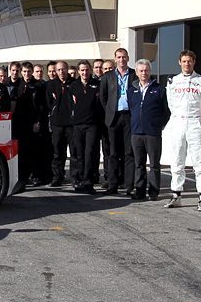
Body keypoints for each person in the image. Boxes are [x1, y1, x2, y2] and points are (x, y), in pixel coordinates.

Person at [164, 50, 201, 210]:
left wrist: (198, 120)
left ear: (194, 62)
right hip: (177, 122)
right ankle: (176, 194)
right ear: (179, 62)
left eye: (189, 61)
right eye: (184, 61)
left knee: (199, 161)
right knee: (177, 160)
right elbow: (170, 104)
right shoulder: (172, 81)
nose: (187, 64)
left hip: (195, 123)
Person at [127, 59, 169, 201]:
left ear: (150, 71)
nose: (144, 73)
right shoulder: (131, 90)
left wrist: (158, 125)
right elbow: (130, 110)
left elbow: (166, 112)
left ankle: (153, 192)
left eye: (146, 70)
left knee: (154, 164)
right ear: (137, 73)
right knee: (139, 164)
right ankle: (139, 191)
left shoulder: (159, 89)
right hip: (136, 133)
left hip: (153, 133)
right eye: (141, 70)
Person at [100, 48, 137, 196]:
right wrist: (110, 110)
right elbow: (103, 97)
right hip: (113, 118)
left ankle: (129, 185)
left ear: (128, 58)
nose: (121, 60)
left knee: (129, 152)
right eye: (119, 57)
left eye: (124, 57)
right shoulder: (108, 76)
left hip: (129, 116)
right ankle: (113, 184)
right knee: (113, 152)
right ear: (115, 59)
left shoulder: (134, 74)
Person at [68, 60, 103, 193]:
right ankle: (79, 180)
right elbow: (70, 105)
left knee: (89, 153)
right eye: (82, 70)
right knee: (78, 153)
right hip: (77, 125)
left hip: (92, 125)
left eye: (87, 70)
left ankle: (88, 181)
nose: (85, 72)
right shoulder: (73, 86)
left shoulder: (97, 85)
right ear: (78, 71)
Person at [46, 61, 75, 187]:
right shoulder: (51, 85)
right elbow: (49, 102)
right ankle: (58, 176)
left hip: (72, 123)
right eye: (58, 70)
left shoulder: (74, 83)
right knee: (58, 152)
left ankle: (75, 177)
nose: (61, 72)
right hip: (57, 123)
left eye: (63, 69)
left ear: (67, 69)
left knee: (74, 152)